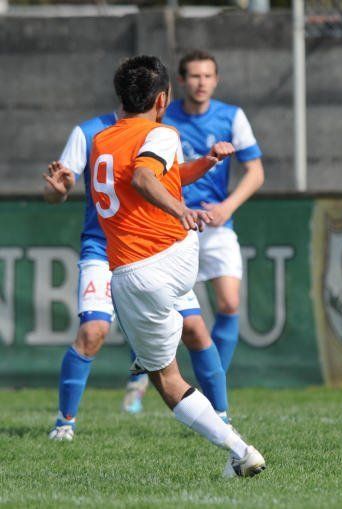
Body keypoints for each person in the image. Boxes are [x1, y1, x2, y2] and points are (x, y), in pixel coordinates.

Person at [87, 55, 264, 476]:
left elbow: (144, 179)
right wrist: (204, 166)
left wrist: (180, 209)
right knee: (193, 327)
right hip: (177, 256)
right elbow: (157, 176)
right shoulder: (161, 134)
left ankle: (239, 451)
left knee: (167, 380)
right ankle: (158, 345)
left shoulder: (103, 140)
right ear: (163, 99)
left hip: (141, 269)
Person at [44, 114, 233, 440]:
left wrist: (206, 161)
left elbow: (172, 176)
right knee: (93, 331)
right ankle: (64, 423)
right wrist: (57, 192)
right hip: (103, 247)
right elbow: (56, 189)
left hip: (150, 250)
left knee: (194, 328)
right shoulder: (89, 133)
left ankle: (222, 418)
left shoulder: (160, 132)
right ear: (159, 97)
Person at [161, 50, 265, 374]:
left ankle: (214, 385)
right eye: (195, 76)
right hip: (173, 226)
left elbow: (256, 172)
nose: (201, 82)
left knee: (230, 303)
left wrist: (226, 207)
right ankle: (144, 375)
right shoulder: (163, 118)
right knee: (164, 312)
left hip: (215, 225)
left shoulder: (231, 117)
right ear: (181, 81)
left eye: (207, 76)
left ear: (216, 80)